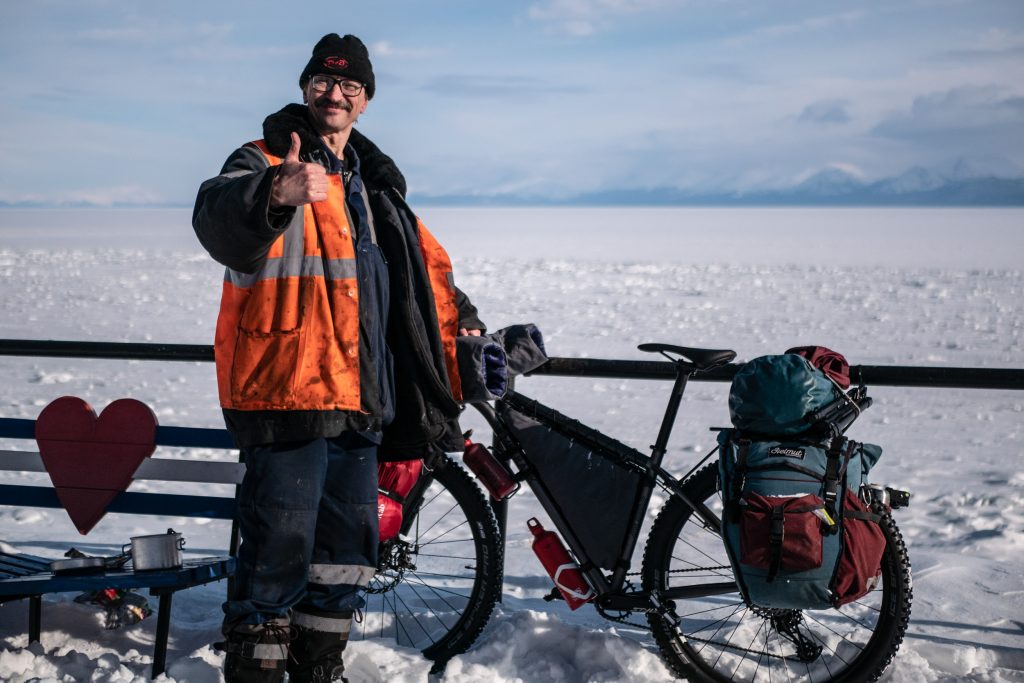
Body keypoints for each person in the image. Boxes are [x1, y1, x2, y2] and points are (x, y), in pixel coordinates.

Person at [192, 32, 484, 683]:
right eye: (324, 81)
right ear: (305, 88)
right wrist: (273, 192)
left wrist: (463, 324)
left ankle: (320, 668)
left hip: (360, 399)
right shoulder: (265, 157)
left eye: (350, 84)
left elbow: (415, 277)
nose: (335, 92)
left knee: (344, 559)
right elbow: (214, 216)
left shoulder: (374, 189)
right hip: (289, 389)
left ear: (365, 100)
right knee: (276, 549)